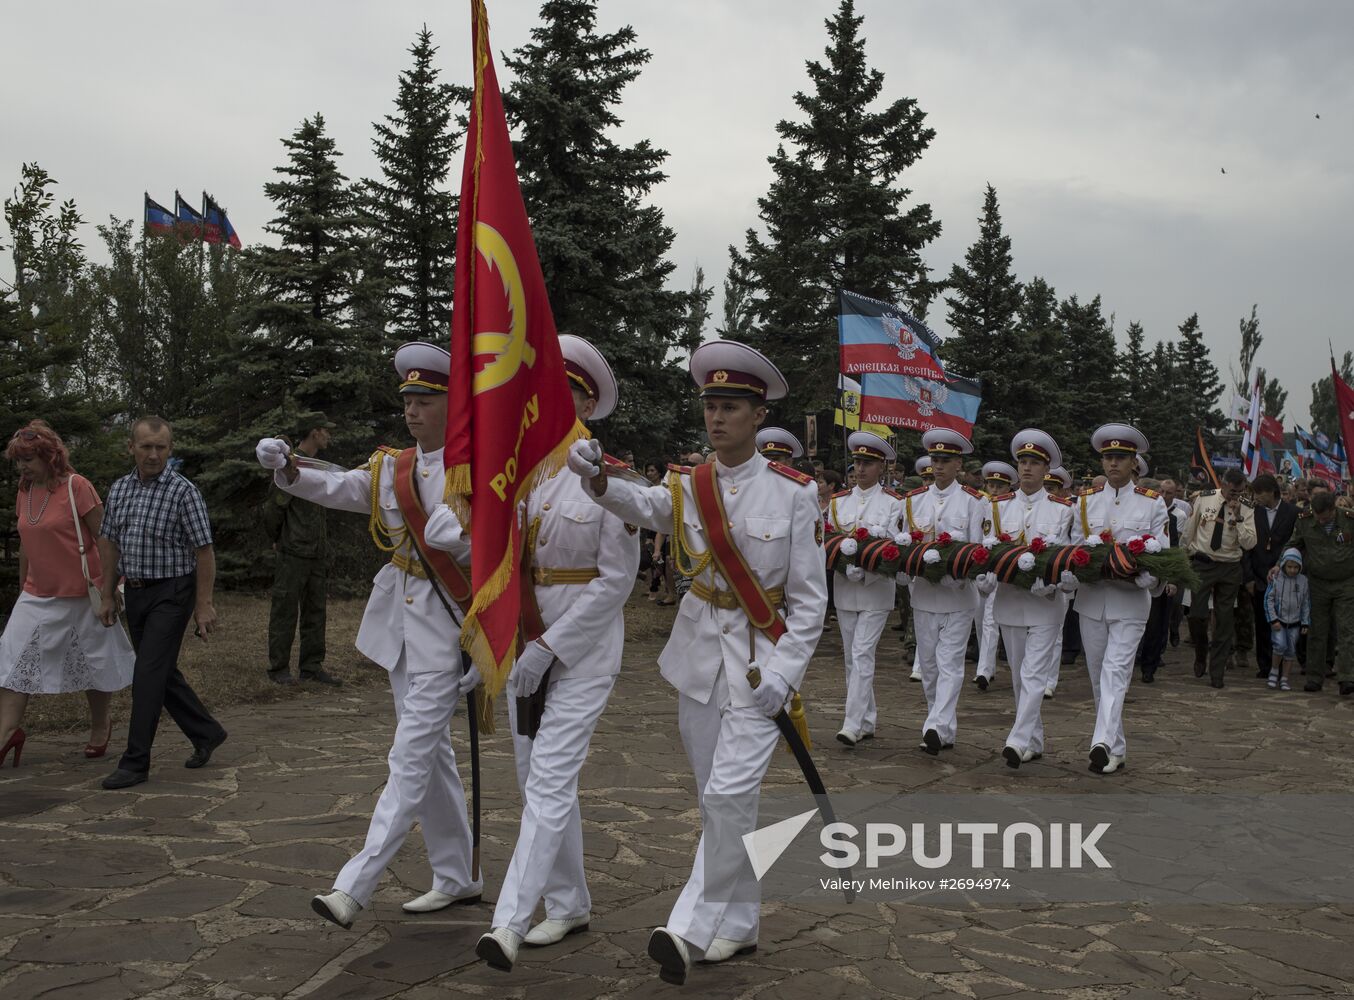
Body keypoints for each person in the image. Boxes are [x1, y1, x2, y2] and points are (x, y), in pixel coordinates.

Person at [565, 339, 826, 985]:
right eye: (710, 405)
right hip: (697, 657)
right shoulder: (688, 485)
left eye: (731, 406)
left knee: (730, 794)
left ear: (758, 416)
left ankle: (688, 926)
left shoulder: (794, 493)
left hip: (760, 666)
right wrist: (598, 477)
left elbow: (810, 601)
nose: (717, 418)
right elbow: (642, 504)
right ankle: (738, 925)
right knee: (719, 803)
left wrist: (786, 673)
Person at [255, 343, 482, 928]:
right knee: (431, 757)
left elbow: (508, 552)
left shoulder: (480, 472)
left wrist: (468, 544)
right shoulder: (393, 468)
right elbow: (340, 488)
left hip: (452, 629)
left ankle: (354, 883)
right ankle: (458, 876)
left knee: (409, 755)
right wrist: (288, 468)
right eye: (407, 399)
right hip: (403, 625)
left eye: (425, 400)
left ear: (452, 405)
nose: (412, 409)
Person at [466, 336, 640, 971]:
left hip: (585, 651)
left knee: (548, 780)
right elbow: (504, 567)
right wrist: (489, 642)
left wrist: (553, 646)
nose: (545, 403)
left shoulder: (605, 479)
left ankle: (508, 921)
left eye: (562, 394)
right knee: (538, 779)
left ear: (587, 403)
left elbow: (616, 581)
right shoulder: (521, 476)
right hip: (524, 644)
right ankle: (569, 903)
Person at [97, 417, 226, 789]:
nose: (153, 455)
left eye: (161, 448)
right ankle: (206, 732)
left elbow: (204, 551)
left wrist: (204, 604)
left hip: (173, 592)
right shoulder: (120, 489)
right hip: (135, 591)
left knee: (147, 674)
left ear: (170, 450)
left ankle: (135, 762)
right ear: (131, 448)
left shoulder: (184, 492)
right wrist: (107, 593)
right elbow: (108, 541)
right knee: (161, 672)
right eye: (146, 447)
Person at [1, 422, 134, 767]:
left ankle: (100, 725)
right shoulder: (25, 490)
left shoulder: (78, 487)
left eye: (29, 459)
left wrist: (108, 591)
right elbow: (27, 545)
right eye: (19, 461)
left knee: (95, 661)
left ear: (50, 457)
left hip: (83, 593)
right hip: (37, 593)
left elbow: (105, 539)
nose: (23, 467)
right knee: (13, 661)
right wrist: (22, 588)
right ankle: (6, 732)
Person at [1069, 423, 1168, 775]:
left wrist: (1145, 574)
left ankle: (1101, 741)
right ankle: (1117, 747)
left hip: (1129, 602)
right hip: (1093, 600)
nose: (1113, 464)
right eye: (1108, 457)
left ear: (1133, 463)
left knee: (1116, 671)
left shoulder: (1152, 504)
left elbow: (1162, 554)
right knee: (1099, 676)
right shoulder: (1083, 503)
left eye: (1120, 458)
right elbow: (1073, 549)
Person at [977, 430, 1074, 767]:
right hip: (1009, 601)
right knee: (1019, 676)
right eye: (1024, 461)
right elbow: (986, 549)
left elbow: (1067, 556)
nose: (1028, 468)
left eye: (1035, 463)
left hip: (1045, 604)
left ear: (1047, 470)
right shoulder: (997, 506)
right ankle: (1034, 740)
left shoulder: (1063, 509)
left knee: (1034, 674)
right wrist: (985, 580)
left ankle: (1017, 740)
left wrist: (1053, 583)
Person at [902, 428, 986, 755]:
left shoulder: (974, 502)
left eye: (945, 460)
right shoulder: (913, 501)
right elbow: (904, 543)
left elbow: (978, 551)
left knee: (949, 661)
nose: (938, 465)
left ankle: (935, 725)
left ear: (958, 464)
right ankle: (943, 725)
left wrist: (961, 573)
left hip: (958, 595)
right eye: (935, 459)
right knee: (929, 664)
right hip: (923, 594)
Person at [828, 431, 902, 746]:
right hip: (845, 587)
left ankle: (852, 722)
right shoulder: (837, 502)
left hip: (876, 589)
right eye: (857, 462)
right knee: (851, 656)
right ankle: (867, 718)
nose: (860, 469)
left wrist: (868, 572)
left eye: (868, 463)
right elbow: (828, 541)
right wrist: (845, 566)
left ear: (881, 468)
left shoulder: (894, 504)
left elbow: (895, 548)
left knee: (862, 652)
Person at [263, 412, 341, 687]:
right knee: (285, 610)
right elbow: (275, 507)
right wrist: (277, 538)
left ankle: (311, 666)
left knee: (316, 610)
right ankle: (278, 668)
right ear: (314, 433)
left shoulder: (318, 466)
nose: (329, 436)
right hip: (293, 550)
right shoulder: (290, 464)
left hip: (316, 551)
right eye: (325, 430)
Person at [1181, 468, 1257, 689]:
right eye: (1232, 492)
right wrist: (1184, 554)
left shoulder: (1246, 507)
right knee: (1196, 614)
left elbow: (1250, 543)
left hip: (1230, 566)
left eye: (1240, 492)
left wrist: (1238, 517)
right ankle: (1200, 652)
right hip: (1203, 562)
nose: (1235, 496)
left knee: (1224, 621)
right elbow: (1191, 528)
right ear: (1223, 485)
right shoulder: (1204, 499)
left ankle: (1217, 671)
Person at [1284, 490, 1354, 694]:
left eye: (1325, 517)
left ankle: (1347, 677)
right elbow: (1294, 544)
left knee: (1347, 630)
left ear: (1334, 510)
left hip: (1346, 582)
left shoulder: (1350, 520)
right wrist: (1282, 563)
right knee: (1316, 631)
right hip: (1317, 583)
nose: (1321, 521)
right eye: (1318, 516)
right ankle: (1315, 676)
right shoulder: (1305, 520)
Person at [1242, 474, 1298, 677]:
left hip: (1285, 575)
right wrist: (1248, 577)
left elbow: (1295, 543)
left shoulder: (1292, 512)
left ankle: (1283, 662)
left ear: (1271, 492)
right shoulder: (1251, 513)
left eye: (1259, 493)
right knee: (1262, 623)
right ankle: (1265, 665)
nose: (1255, 497)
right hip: (1258, 576)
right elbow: (1246, 546)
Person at [972, 460, 1017, 691]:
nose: (995, 489)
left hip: (1003, 568)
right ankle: (984, 663)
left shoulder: (1011, 506)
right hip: (982, 567)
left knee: (991, 619)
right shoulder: (981, 504)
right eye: (991, 484)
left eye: (1000, 485)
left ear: (1009, 487)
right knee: (980, 619)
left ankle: (984, 669)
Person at [1263, 548, 1309, 691]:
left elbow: (1306, 603)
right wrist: (1273, 619)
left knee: (1290, 651)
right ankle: (1274, 671)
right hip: (1279, 621)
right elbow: (1268, 600)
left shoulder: (1303, 581)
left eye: (1296, 567)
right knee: (1279, 645)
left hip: (1295, 623)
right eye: (1289, 567)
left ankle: (1285, 678)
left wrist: (1305, 622)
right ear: (1284, 565)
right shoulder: (1277, 579)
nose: (1293, 570)